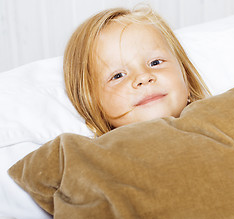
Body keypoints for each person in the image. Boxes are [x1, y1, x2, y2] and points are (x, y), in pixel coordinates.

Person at [63, 5, 210, 136]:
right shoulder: (92, 159)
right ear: (92, 105)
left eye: (155, 62)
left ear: (187, 78)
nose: (144, 77)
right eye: (118, 75)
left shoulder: (220, 123)